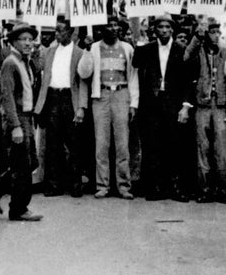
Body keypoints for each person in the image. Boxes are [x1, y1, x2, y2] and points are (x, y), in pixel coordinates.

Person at [0, 24, 43, 221]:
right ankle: (18, 209)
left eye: (30, 39)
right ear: (14, 42)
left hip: (25, 116)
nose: (28, 43)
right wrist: (15, 126)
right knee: (23, 166)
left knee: (28, 162)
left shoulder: (25, 61)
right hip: (16, 118)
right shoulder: (10, 62)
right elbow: (7, 96)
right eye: (23, 39)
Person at [132, 14, 193, 201]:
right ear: (155, 30)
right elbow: (136, 63)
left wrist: (185, 106)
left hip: (173, 104)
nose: (164, 30)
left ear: (173, 29)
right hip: (152, 104)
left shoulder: (181, 49)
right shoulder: (147, 49)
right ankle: (155, 187)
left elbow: (188, 81)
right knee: (153, 145)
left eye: (167, 27)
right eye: (160, 27)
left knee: (175, 145)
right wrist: (140, 43)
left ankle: (175, 188)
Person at [77, 16, 139, 199]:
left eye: (116, 26)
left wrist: (133, 103)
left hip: (121, 94)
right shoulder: (94, 47)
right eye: (109, 25)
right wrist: (87, 51)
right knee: (101, 143)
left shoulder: (127, 48)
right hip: (101, 96)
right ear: (102, 29)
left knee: (122, 144)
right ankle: (102, 185)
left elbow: (133, 77)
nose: (113, 28)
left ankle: (123, 186)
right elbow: (83, 72)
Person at [34, 18, 88, 198]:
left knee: (74, 143)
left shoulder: (80, 53)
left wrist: (81, 107)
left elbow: (83, 81)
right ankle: (53, 185)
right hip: (52, 97)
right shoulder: (49, 51)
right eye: (56, 31)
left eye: (60, 31)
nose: (56, 34)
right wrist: (35, 54)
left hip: (69, 98)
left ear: (71, 32)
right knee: (53, 143)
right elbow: (39, 71)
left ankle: (75, 184)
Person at [184, 18, 226, 203]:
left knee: (221, 149)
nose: (216, 36)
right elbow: (186, 58)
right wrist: (197, 36)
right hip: (202, 105)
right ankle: (205, 189)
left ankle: (222, 188)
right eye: (212, 32)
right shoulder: (198, 51)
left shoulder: (224, 52)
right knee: (203, 148)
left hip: (220, 105)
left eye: (218, 32)